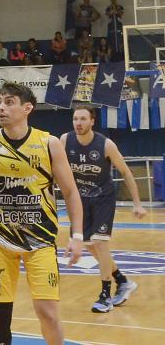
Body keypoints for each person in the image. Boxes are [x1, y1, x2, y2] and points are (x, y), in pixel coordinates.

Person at [0, 82, 83, 345]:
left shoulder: (48, 144)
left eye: (9, 101)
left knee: (47, 312)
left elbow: (71, 192)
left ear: (28, 108)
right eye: (0, 101)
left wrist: (78, 234)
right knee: (0, 316)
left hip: (40, 241)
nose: (2, 107)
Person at [60, 106, 146, 313]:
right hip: (80, 201)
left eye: (83, 119)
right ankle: (122, 281)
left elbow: (125, 172)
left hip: (103, 198)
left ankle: (105, 294)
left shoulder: (105, 144)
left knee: (100, 243)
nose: (78, 123)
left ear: (92, 121)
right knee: (88, 245)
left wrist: (137, 203)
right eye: (75, 119)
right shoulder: (65, 141)